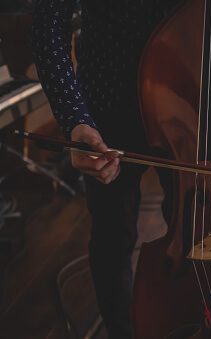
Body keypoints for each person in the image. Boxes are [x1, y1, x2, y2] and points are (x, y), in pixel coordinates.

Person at [30, 1, 178, 337]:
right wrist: (74, 118)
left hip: (190, 103)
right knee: (113, 237)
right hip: (107, 104)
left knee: (197, 234)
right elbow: (48, 26)